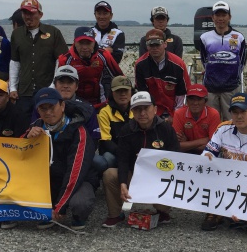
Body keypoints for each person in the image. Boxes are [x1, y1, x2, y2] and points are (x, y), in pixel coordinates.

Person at [19, 87, 97, 231]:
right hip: (50, 179)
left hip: (79, 180)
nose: (48, 112)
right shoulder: (35, 127)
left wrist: (61, 205)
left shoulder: (79, 131)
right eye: (43, 108)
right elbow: (15, 154)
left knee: (80, 203)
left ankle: (78, 217)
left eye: (52, 107)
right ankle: (44, 212)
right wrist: (26, 139)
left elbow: (76, 172)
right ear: (38, 111)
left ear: (62, 106)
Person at [104, 92, 180, 228]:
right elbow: (123, 159)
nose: (142, 113)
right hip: (133, 175)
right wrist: (122, 183)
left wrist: (154, 159)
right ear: (132, 111)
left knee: (164, 203)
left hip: (159, 176)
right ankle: (115, 214)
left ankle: (162, 212)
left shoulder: (166, 129)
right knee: (110, 174)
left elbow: (176, 157)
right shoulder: (126, 130)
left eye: (146, 108)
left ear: (155, 109)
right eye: (138, 109)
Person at [200, 92, 247, 232]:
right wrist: (206, 156)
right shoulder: (222, 129)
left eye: (243, 112)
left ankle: (235, 209)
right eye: (235, 112)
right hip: (225, 177)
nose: (239, 116)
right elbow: (209, 152)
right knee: (207, 166)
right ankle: (214, 211)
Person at [9, 0, 67, 123]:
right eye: (25, 13)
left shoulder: (54, 33)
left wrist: (53, 85)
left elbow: (61, 60)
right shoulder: (16, 34)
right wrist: (12, 87)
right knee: (23, 123)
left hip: (47, 88)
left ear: (40, 14)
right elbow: (15, 62)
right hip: (24, 90)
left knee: (47, 122)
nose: (28, 17)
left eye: (31, 13)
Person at [199, 1, 247, 120]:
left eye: (224, 15)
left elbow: (243, 60)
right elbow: (204, 60)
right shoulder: (205, 37)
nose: (221, 18)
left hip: (230, 87)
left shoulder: (239, 37)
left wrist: (232, 76)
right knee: (211, 120)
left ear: (229, 17)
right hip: (211, 88)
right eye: (217, 15)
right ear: (212, 17)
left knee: (231, 120)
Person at [57, 26, 123, 109]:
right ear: (75, 42)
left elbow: (120, 77)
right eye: (81, 43)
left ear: (94, 43)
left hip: (100, 103)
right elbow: (57, 85)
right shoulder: (65, 59)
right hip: (74, 105)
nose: (84, 47)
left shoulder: (104, 55)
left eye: (88, 43)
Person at [134, 28, 190, 119]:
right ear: (147, 47)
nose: (154, 48)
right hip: (151, 111)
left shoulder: (178, 64)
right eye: (151, 45)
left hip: (173, 109)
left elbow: (182, 94)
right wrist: (151, 115)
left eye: (157, 44)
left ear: (165, 44)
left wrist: (176, 116)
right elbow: (142, 93)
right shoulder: (140, 65)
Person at [172, 84, 221, 155]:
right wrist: (203, 141)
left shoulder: (213, 114)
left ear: (205, 101)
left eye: (199, 99)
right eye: (192, 99)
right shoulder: (179, 113)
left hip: (207, 155)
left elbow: (214, 146)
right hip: (185, 155)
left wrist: (187, 143)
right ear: (187, 101)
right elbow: (176, 145)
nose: (195, 103)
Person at [97, 75, 133, 167]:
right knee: (107, 158)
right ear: (112, 93)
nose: (123, 94)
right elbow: (105, 141)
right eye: (118, 91)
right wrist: (124, 154)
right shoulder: (104, 112)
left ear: (131, 92)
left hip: (134, 152)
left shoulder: (137, 110)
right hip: (114, 153)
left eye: (125, 90)